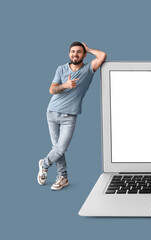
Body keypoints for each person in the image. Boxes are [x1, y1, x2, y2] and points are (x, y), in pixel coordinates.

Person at [37, 42, 107, 190]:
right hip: (52, 112)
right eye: (72, 52)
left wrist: (88, 48)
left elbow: (102, 55)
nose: (75, 54)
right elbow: (52, 90)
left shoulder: (89, 69)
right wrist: (65, 86)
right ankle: (63, 177)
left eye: (79, 52)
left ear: (84, 55)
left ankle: (44, 164)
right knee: (57, 148)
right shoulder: (61, 69)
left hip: (69, 116)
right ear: (69, 54)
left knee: (60, 148)